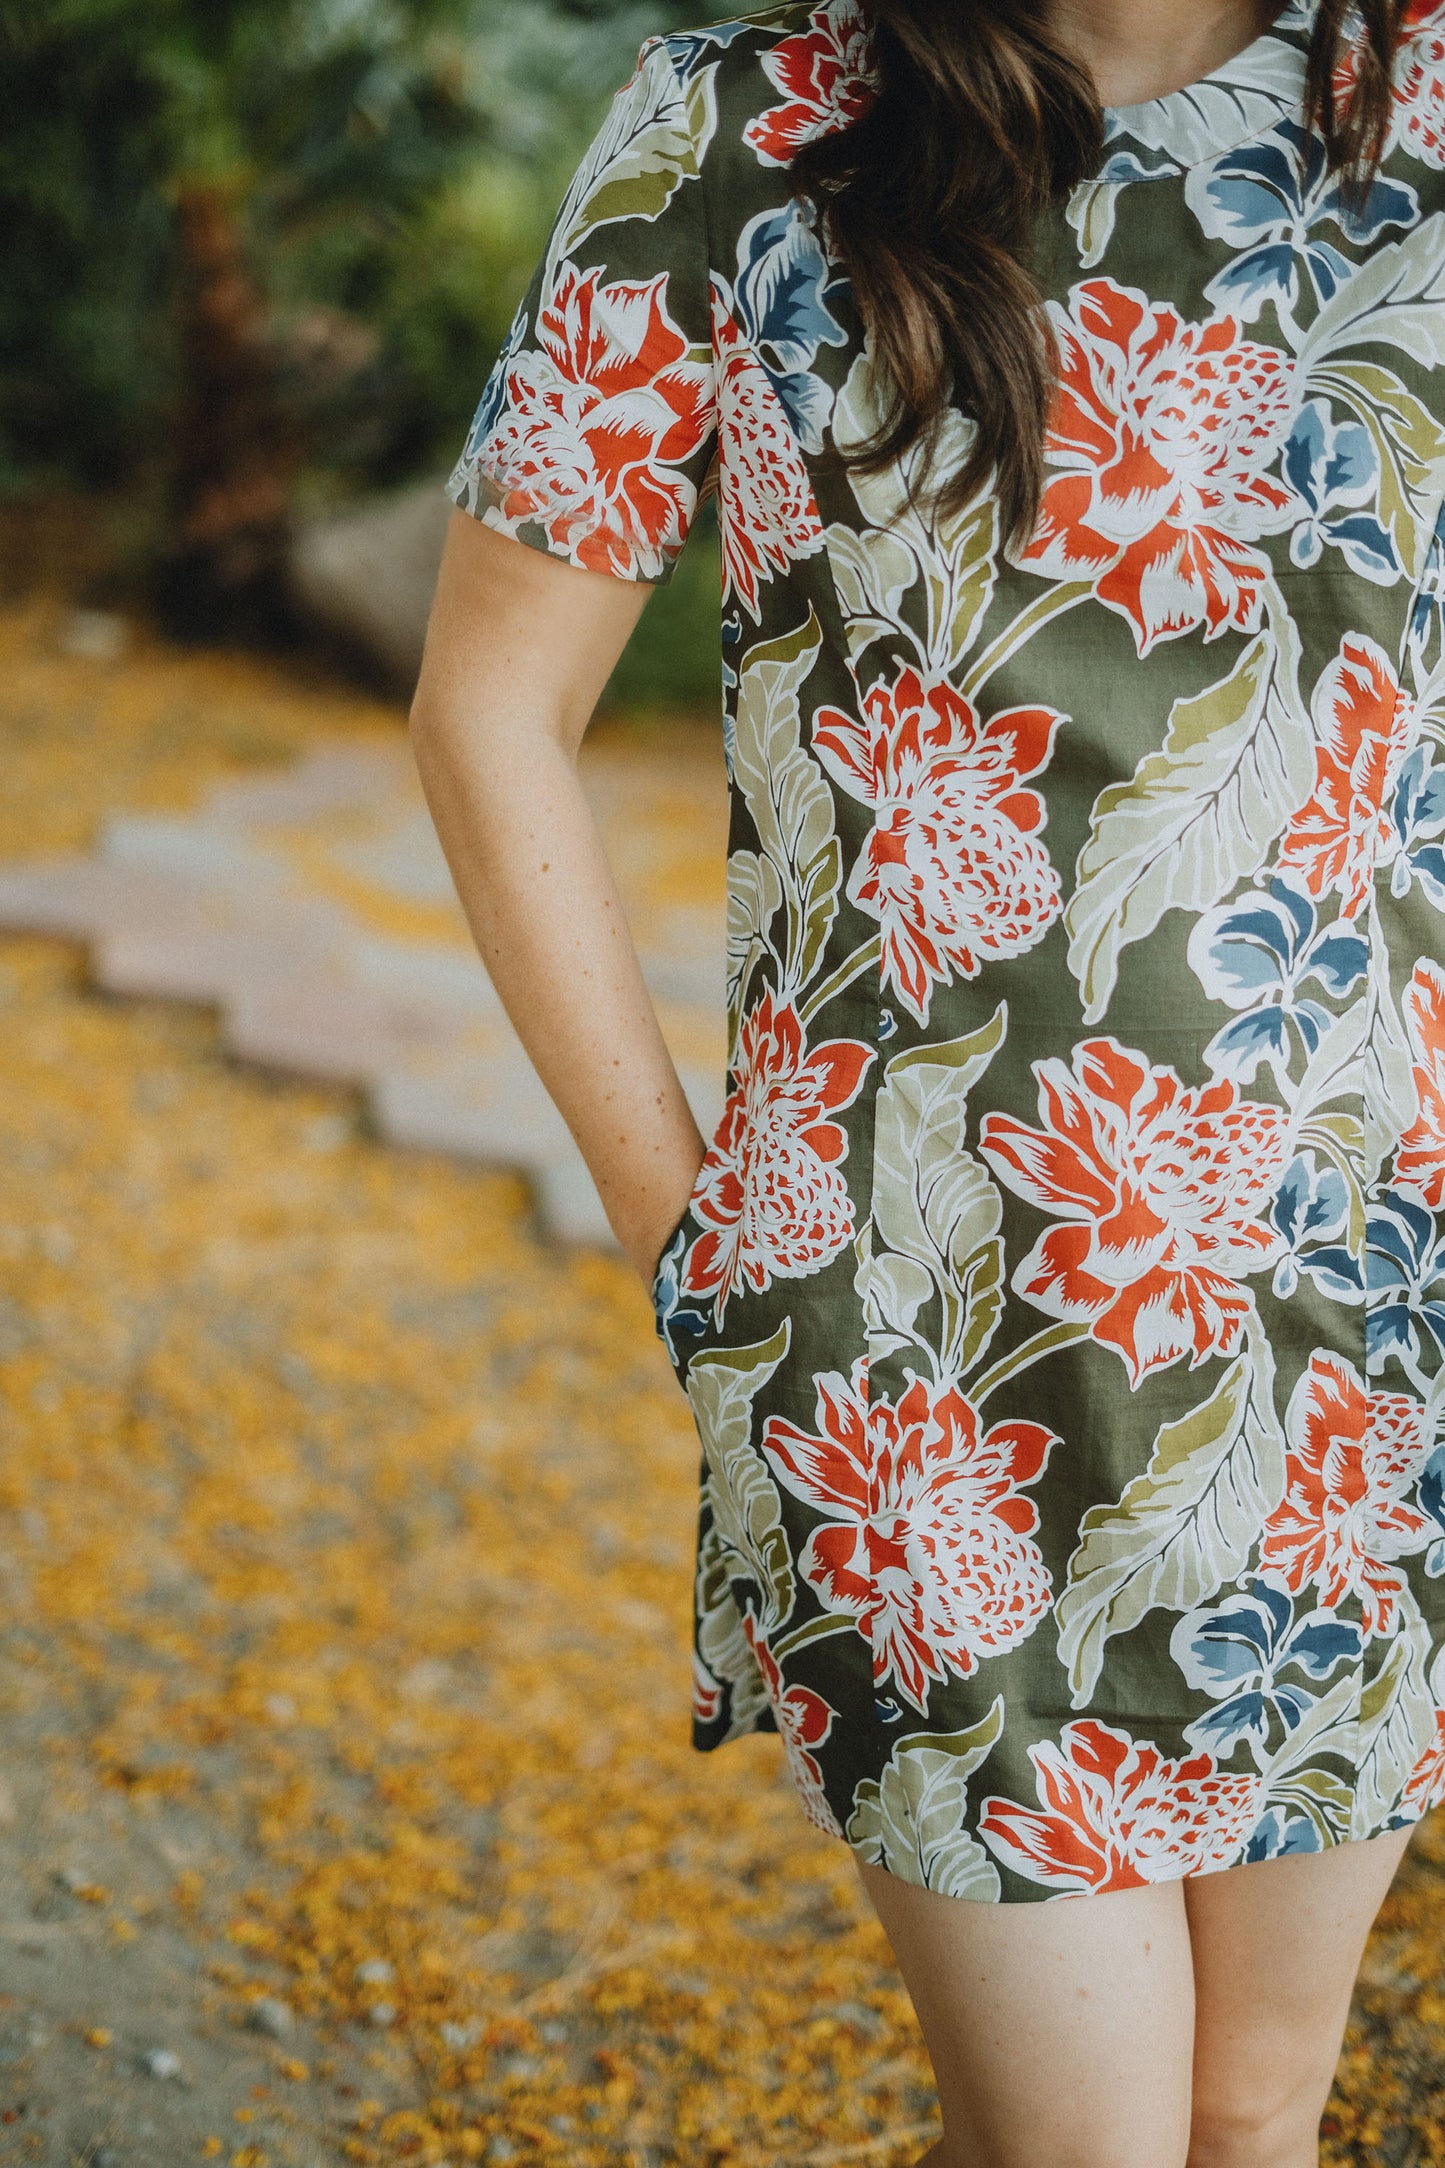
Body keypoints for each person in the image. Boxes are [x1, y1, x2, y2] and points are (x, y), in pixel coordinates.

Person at [409, 1, 1445, 2159]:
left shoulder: (1418, 113)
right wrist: (692, 1232)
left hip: (1367, 1345)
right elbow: (492, 698)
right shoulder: (747, 120)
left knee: (1253, 2111)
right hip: (914, 1364)